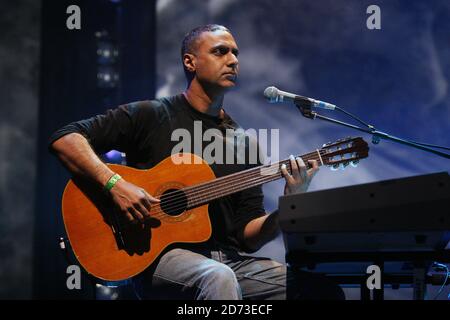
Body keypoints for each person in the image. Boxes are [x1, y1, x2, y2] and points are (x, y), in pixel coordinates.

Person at [49, 24, 344, 300]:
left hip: (229, 261)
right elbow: (65, 139)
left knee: (321, 291)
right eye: (220, 51)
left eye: (235, 53)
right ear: (190, 62)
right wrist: (115, 184)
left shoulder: (245, 143)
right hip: (156, 259)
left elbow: (247, 238)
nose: (233, 60)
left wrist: (288, 207)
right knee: (218, 277)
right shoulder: (151, 115)